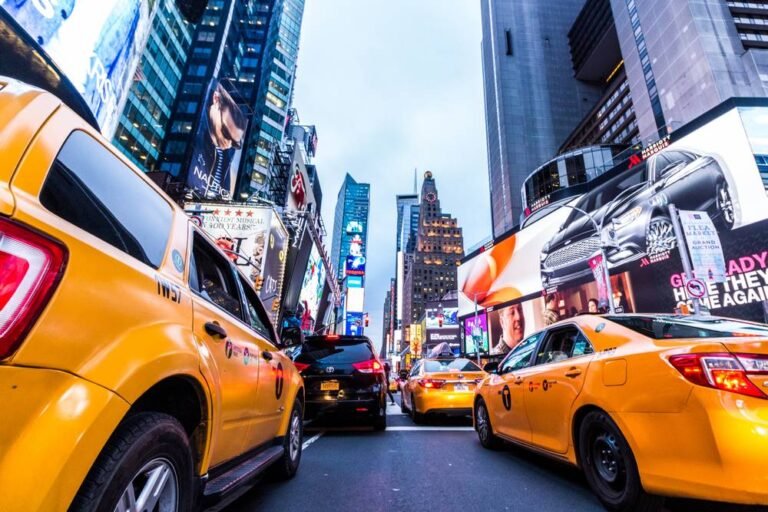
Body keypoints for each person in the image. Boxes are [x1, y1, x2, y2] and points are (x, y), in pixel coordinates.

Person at [189, 80, 247, 200]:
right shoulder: (197, 133)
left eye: (235, 142)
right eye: (226, 132)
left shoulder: (228, 154)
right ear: (216, 99)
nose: (228, 144)